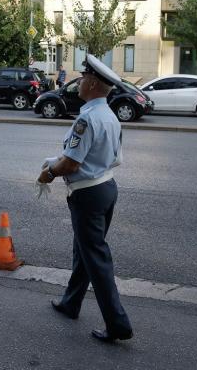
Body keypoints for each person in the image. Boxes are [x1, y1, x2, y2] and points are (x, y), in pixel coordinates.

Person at [37, 54, 133, 343]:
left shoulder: (87, 119)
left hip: (88, 194)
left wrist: (48, 173)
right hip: (106, 187)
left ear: (92, 83)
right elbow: (108, 156)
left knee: (96, 258)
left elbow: (71, 164)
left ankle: (118, 324)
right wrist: (56, 162)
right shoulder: (110, 116)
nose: (79, 82)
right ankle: (71, 302)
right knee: (85, 251)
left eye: (83, 78)